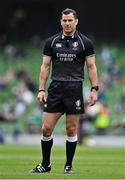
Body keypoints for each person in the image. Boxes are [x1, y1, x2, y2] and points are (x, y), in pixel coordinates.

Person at [31, 8, 98, 174]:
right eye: (64, 20)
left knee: (70, 129)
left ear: (76, 21)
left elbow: (91, 67)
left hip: (74, 88)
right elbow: (45, 66)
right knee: (46, 128)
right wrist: (41, 89)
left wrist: (94, 89)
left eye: (70, 20)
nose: (67, 23)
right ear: (61, 22)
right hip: (56, 88)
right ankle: (45, 164)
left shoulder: (85, 42)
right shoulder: (51, 42)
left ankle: (68, 165)